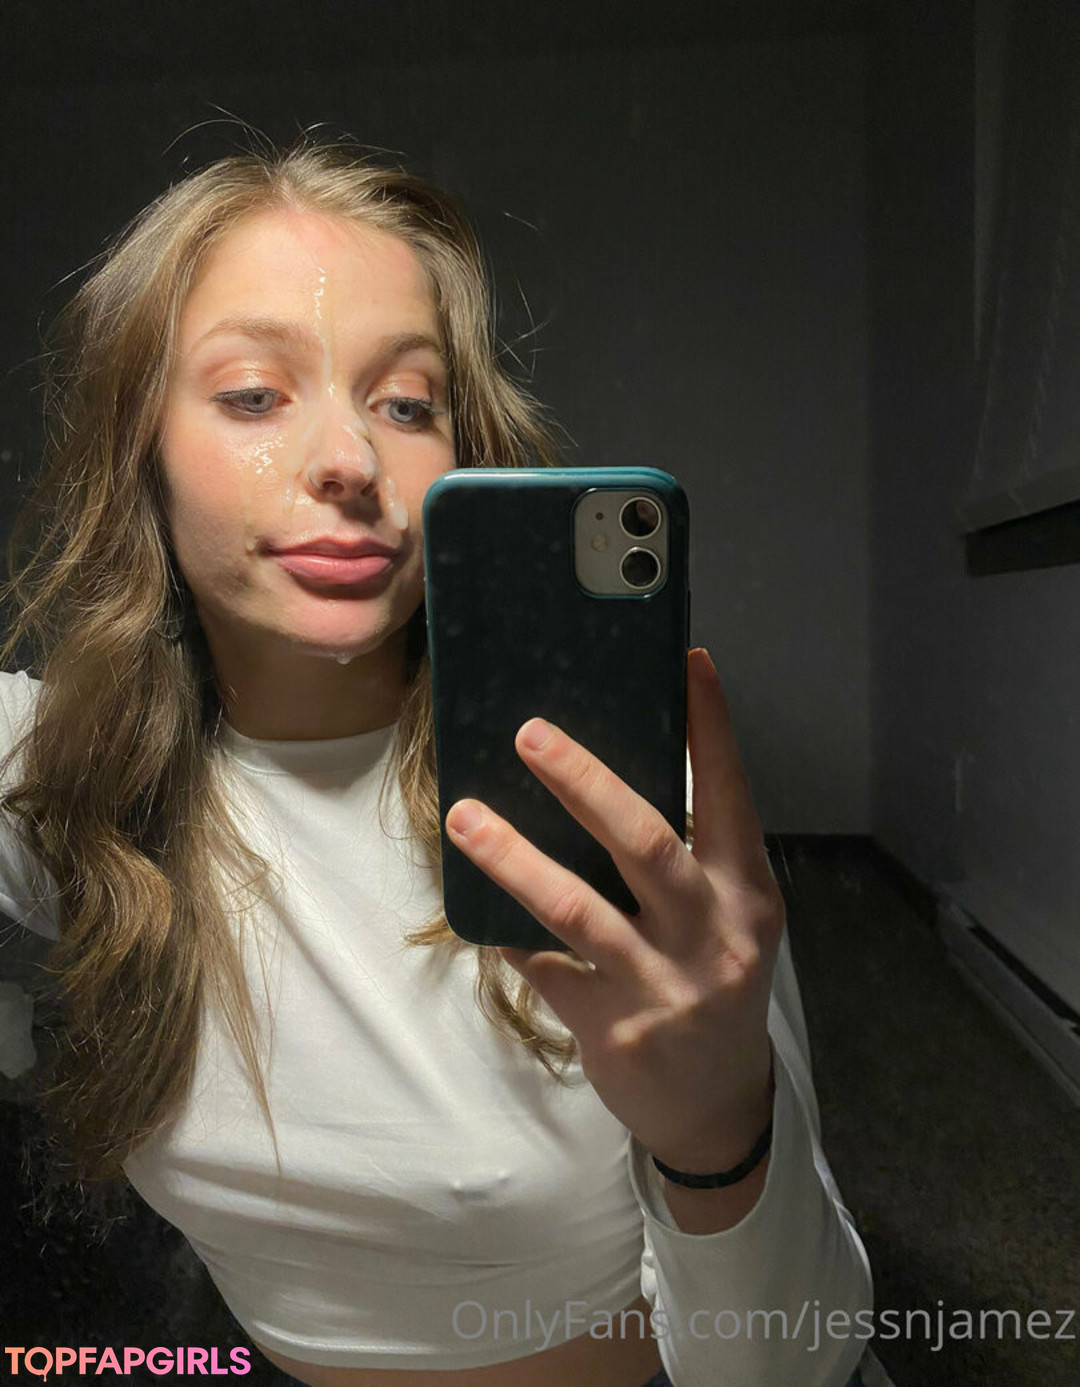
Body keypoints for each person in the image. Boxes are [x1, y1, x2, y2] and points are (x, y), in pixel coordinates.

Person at [0, 138, 884, 1387]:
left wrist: (718, 1132)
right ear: (137, 443)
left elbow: (791, 1364)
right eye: (253, 393)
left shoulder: (606, 807)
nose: (351, 461)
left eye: (407, 403)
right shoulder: (77, 774)